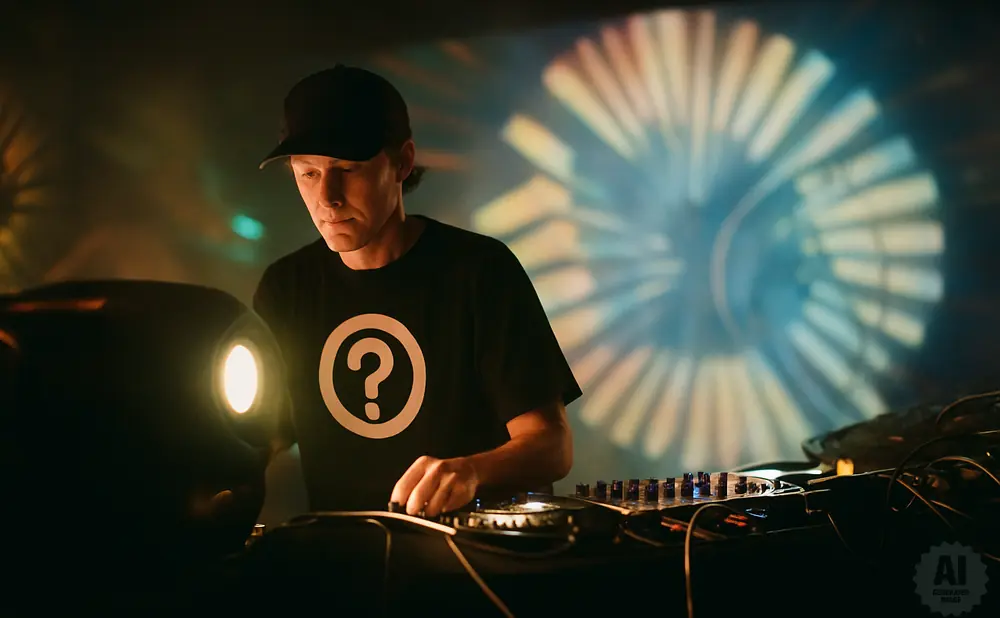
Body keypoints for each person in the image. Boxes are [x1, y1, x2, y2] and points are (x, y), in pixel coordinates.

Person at [252, 65, 581, 517]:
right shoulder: (286, 287)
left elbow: (551, 445)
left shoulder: (479, 271)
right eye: (308, 173)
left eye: (346, 170)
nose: (327, 197)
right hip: (343, 568)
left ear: (402, 163)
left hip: (472, 567)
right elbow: (258, 440)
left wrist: (471, 471)